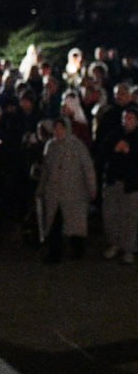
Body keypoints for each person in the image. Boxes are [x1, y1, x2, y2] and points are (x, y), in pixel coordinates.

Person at [37, 116, 97, 263]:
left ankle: (77, 250)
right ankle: (54, 253)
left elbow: (87, 168)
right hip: (54, 192)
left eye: (61, 128)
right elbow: (46, 169)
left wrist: (92, 188)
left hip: (74, 192)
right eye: (56, 128)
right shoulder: (51, 146)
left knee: (75, 224)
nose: (58, 131)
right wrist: (41, 188)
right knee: (54, 223)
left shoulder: (77, 146)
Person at [99, 104, 138, 264]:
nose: (127, 121)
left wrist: (131, 151)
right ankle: (114, 243)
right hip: (113, 182)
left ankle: (128, 248)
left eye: (130, 118)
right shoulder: (114, 135)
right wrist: (115, 150)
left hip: (132, 184)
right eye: (125, 118)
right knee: (111, 215)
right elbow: (102, 153)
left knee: (130, 217)